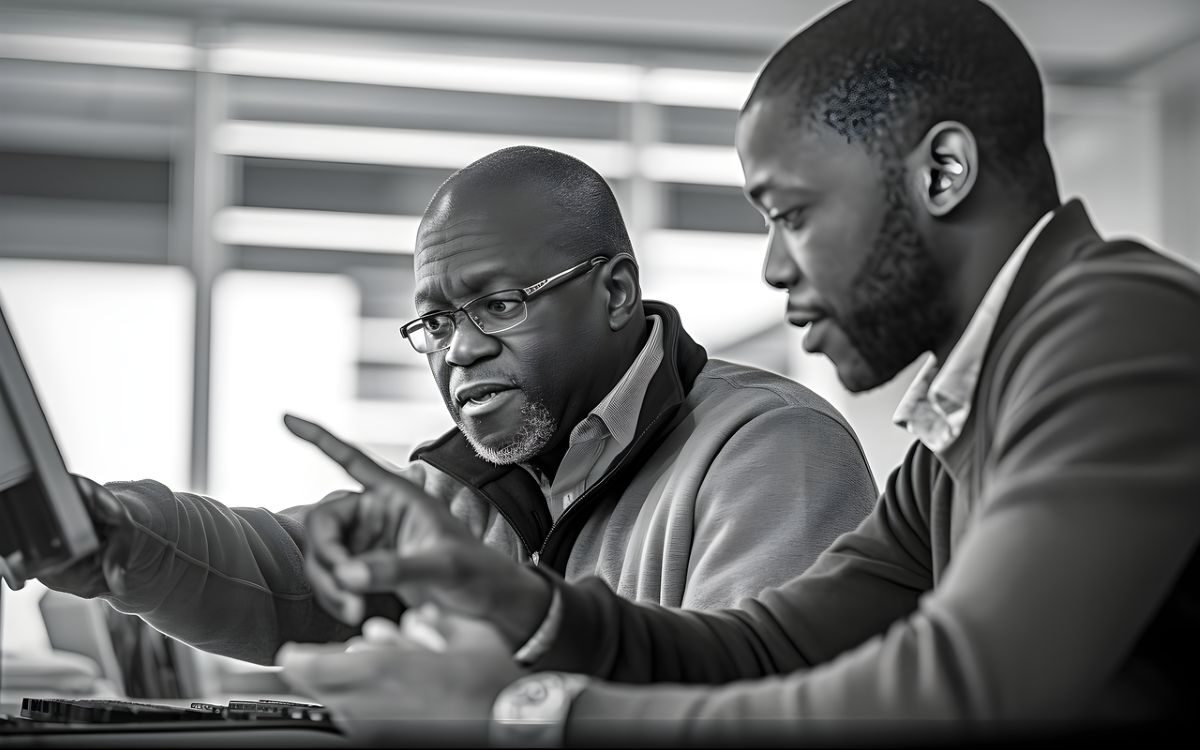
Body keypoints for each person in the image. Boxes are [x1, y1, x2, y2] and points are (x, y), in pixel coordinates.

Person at [274, 0, 1200, 744]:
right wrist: (519, 601)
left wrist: (526, 716)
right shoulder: (961, 432)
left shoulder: (1119, 324)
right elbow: (773, 648)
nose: (774, 268)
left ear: (944, 170)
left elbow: (969, 686)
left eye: (790, 213)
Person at [36, 146, 877, 666]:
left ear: (617, 291)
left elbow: (750, 703)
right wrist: (119, 538)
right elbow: (281, 573)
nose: (459, 349)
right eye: (434, 321)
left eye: (500, 306)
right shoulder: (463, 482)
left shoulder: (771, 450)